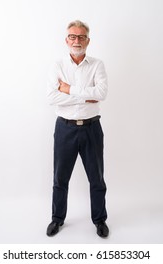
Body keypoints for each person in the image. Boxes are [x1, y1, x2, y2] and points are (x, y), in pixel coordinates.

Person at [46, 20, 109, 238]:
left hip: (92, 129)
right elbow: (51, 97)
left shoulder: (97, 65)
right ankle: (57, 219)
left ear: (88, 41)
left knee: (97, 179)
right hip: (65, 129)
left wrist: (68, 90)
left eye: (81, 37)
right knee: (60, 178)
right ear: (66, 40)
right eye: (72, 36)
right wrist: (85, 96)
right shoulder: (57, 66)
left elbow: (100, 94)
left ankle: (100, 220)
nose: (77, 41)